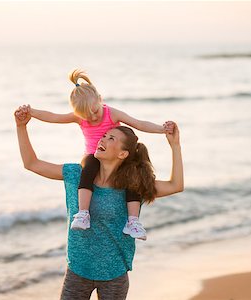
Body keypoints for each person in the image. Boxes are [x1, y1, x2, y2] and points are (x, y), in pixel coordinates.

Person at [14, 104, 184, 300]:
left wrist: (175, 146)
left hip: (114, 275)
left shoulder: (133, 187)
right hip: (78, 270)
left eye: (111, 138)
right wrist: (21, 127)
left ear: (123, 154)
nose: (102, 139)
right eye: (104, 136)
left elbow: (176, 185)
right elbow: (32, 163)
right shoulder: (76, 174)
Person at [24, 69, 171, 240]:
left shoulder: (112, 113)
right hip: (93, 157)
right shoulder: (80, 117)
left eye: (95, 111)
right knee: (87, 169)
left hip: (113, 158)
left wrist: (162, 129)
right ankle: (83, 213)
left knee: (133, 176)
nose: (92, 117)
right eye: (87, 115)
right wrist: (31, 112)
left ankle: (133, 222)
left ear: (100, 99)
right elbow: (54, 117)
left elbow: (138, 123)